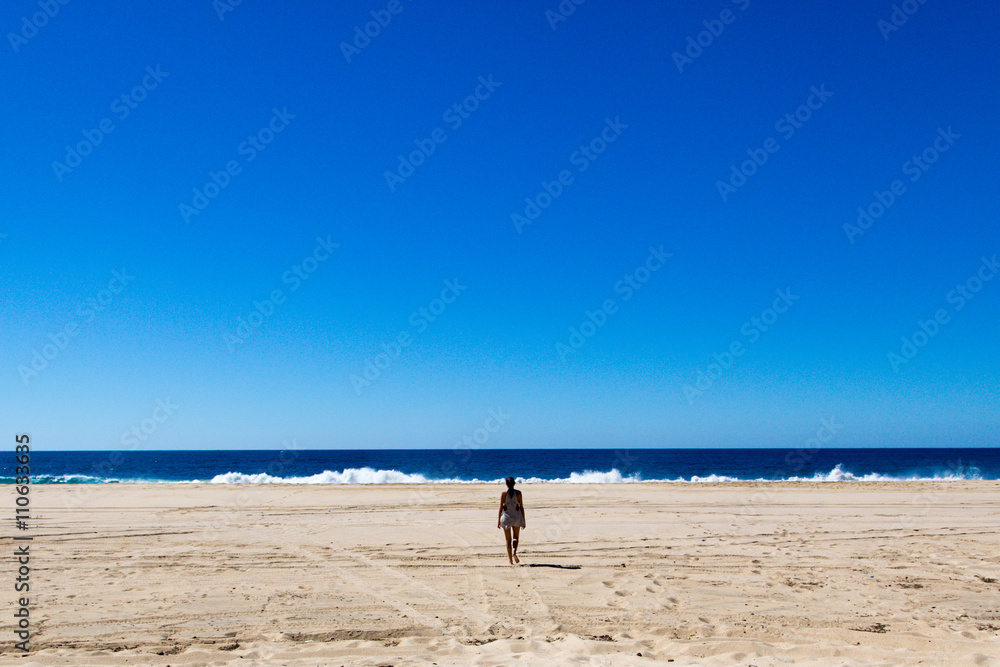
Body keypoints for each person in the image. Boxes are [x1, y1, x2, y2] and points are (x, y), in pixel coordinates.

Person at [497, 476, 526, 564]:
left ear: (506, 484)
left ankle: (510, 560)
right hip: (516, 517)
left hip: (506, 518)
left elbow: (500, 508)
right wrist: (523, 520)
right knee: (516, 538)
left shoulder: (503, 494)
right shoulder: (518, 493)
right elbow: (521, 508)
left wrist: (498, 520)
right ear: (514, 484)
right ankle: (514, 552)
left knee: (508, 540)